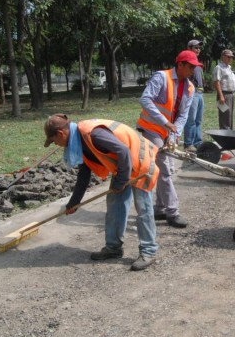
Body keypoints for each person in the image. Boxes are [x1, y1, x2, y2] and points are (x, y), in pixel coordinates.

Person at [43, 113, 160, 271]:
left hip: (140, 162)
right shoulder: (79, 141)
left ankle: (148, 251)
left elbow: (124, 151)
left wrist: (120, 182)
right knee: (114, 204)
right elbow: (84, 174)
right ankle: (113, 248)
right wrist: (74, 203)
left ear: (60, 133)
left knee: (143, 208)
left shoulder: (92, 134)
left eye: (54, 141)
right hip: (124, 165)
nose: (56, 144)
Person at [137, 50, 201, 228]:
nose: (193, 70)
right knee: (165, 168)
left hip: (167, 132)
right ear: (180, 65)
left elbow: (183, 115)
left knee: (166, 169)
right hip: (151, 129)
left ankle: (159, 208)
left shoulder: (190, 87)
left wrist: (175, 132)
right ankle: (173, 212)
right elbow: (145, 100)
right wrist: (165, 122)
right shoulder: (161, 77)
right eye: (190, 67)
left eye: (195, 67)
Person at [183, 39, 205, 152]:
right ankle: (188, 144)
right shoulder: (187, 63)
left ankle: (198, 142)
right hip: (192, 92)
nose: (198, 49)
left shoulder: (198, 63)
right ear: (189, 48)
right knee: (190, 120)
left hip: (200, 93)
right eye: (195, 47)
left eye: (199, 48)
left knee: (198, 120)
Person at [212, 49, 235, 130]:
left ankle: (230, 135)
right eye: (228, 57)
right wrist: (221, 96)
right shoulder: (218, 67)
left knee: (229, 116)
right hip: (224, 94)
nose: (230, 59)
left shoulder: (229, 67)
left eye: (231, 57)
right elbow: (216, 82)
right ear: (223, 57)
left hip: (231, 94)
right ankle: (225, 135)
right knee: (225, 117)